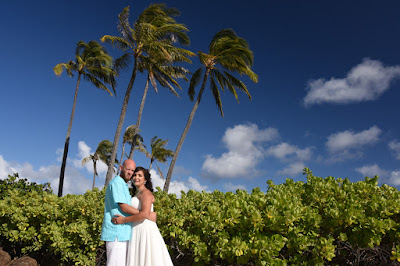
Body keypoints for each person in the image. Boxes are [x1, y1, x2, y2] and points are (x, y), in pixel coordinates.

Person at [112, 167, 173, 266]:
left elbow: (144, 214)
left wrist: (123, 220)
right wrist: (146, 214)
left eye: (140, 175)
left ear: (145, 180)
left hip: (145, 230)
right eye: (135, 175)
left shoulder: (146, 193)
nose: (136, 177)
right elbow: (144, 213)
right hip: (137, 228)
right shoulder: (137, 193)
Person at [100, 160, 156, 266]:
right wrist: (146, 214)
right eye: (128, 169)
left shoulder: (125, 186)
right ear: (121, 168)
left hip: (124, 233)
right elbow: (124, 207)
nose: (130, 173)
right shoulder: (117, 183)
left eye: (132, 170)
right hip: (116, 231)